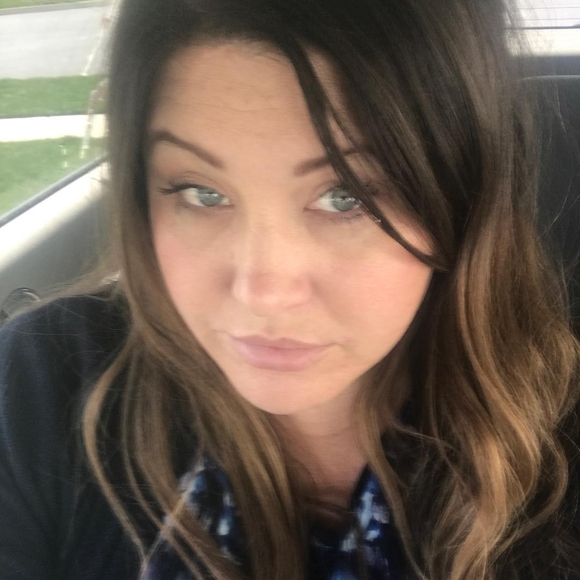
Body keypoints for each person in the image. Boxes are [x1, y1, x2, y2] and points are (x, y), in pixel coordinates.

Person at [1, 0, 579, 578]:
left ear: (462, 198)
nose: (262, 293)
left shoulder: (562, 442)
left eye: (347, 197)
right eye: (201, 193)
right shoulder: (46, 382)